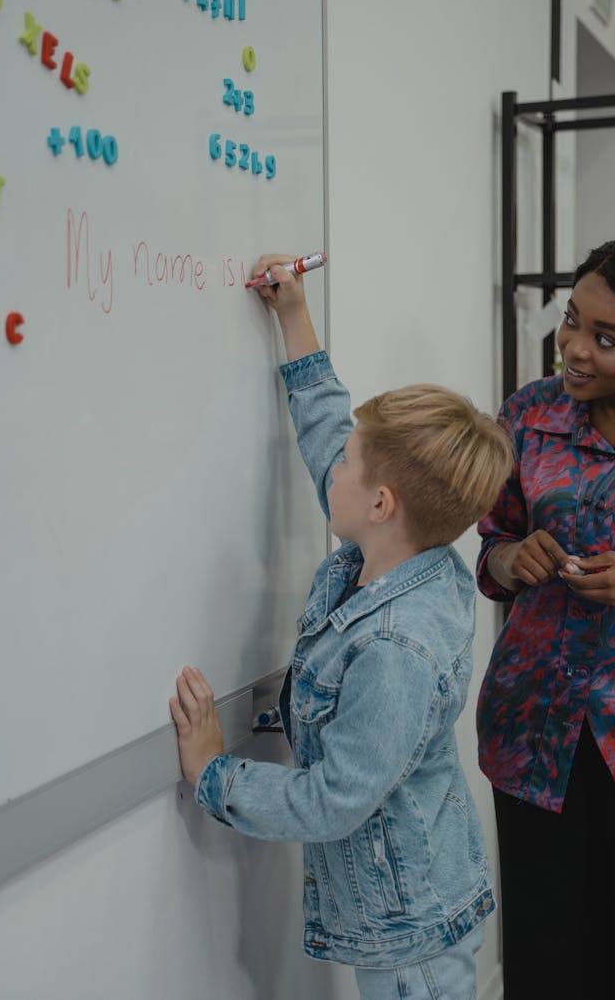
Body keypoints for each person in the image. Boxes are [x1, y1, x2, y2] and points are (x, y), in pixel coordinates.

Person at [169, 253, 513, 1000]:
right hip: (416, 899)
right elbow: (330, 430)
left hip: (410, 931)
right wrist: (294, 314)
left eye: (352, 464)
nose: (336, 468)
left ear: (382, 503)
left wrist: (213, 775)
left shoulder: (395, 648)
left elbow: (333, 801)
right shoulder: (407, 551)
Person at [475, 226, 615, 1000]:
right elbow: (491, 542)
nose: (574, 349)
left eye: (607, 339)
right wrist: (511, 559)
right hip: (537, 737)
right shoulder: (528, 416)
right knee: (546, 967)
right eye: (572, 321)